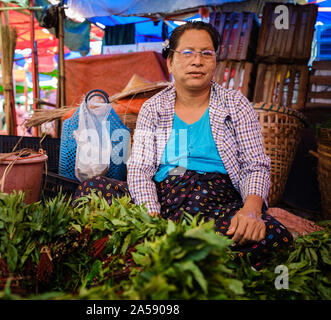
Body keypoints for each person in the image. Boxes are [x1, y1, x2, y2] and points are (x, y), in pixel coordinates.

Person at [72, 21, 293, 269]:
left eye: (206, 53)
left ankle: (172, 255)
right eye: (187, 53)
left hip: (218, 205)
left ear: (215, 62)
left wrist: (251, 211)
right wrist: (151, 218)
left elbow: (256, 164)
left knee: (275, 235)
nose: (197, 61)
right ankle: (186, 253)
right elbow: (140, 168)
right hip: (163, 197)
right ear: (170, 62)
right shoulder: (153, 108)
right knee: (92, 190)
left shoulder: (235, 104)